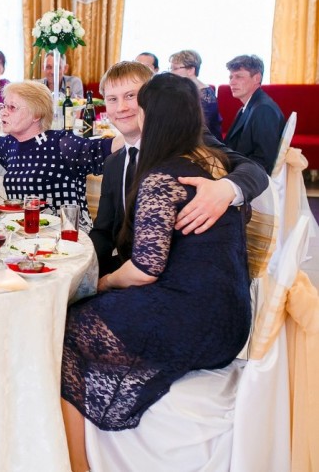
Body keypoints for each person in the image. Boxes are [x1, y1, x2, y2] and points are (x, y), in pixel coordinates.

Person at [60, 74, 252, 472]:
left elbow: (146, 270)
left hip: (193, 320)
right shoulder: (210, 167)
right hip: (231, 318)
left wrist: (101, 283)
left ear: (153, 118)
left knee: (66, 328)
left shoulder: (163, 177)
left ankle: (77, 464)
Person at [89, 61, 268, 276]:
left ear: (150, 99)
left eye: (130, 96)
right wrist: (83, 273)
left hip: (183, 272)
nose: (121, 108)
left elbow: (254, 169)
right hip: (132, 268)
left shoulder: (188, 140)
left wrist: (226, 188)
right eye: (112, 99)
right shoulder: (114, 163)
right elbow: (103, 234)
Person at [0, 81, 120, 230]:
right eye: (3, 106)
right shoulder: (8, 144)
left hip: (67, 234)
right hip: (23, 233)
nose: (3, 112)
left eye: (12, 107)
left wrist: (135, 127)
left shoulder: (62, 143)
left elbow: (106, 148)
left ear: (36, 114)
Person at [224, 54, 285, 175]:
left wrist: (228, 175)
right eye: (231, 77)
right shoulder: (250, 105)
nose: (232, 82)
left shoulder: (263, 110)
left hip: (246, 177)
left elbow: (263, 160)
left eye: (239, 77)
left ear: (257, 78)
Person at [168, 49, 221, 139]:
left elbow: (199, 130)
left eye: (175, 68)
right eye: (170, 68)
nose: (171, 73)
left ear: (191, 70)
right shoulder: (183, 90)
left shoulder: (205, 95)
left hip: (205, 144)